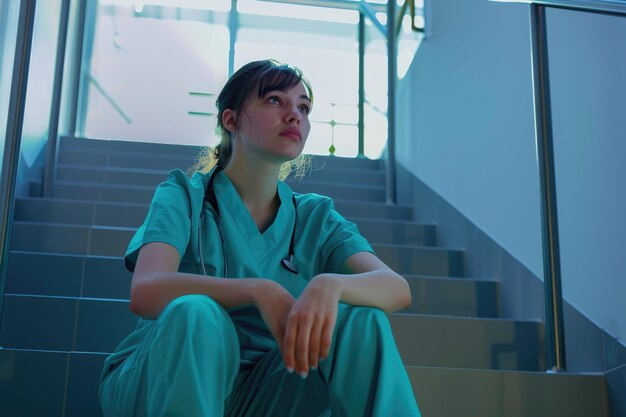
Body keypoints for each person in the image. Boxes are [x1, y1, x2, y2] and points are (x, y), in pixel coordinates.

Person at [98, 59, 421, 417]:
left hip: (268, 389)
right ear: (231, 120)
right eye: (274, 100)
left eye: (303, 106)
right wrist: (257, 290)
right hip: (163, 376)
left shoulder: (316, 216)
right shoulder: (182, 195)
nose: (294, 115)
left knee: (363, 321)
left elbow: (396, 288)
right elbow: (146, 291)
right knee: (196, 312)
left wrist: (330, 285)